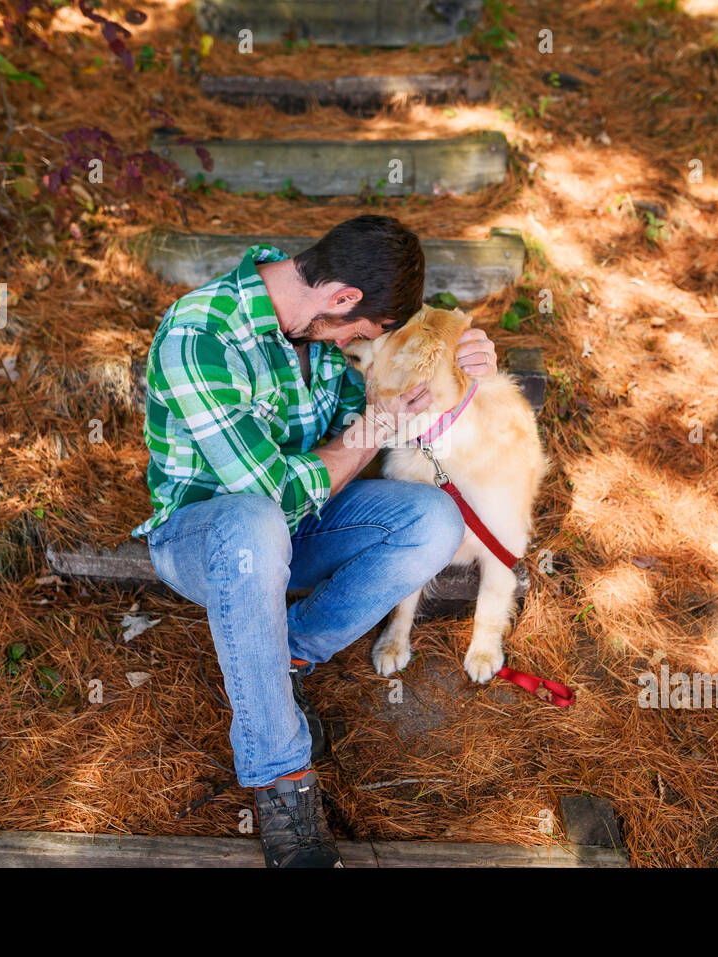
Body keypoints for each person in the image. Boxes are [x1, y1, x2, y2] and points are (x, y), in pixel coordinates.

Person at [131, 215, 497, 867]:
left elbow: (377, 422)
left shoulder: (321, 342)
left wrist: (470, 364)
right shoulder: (200, 332)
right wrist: (369, 431)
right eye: (365, 333)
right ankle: (281, 779)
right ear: (341, 298)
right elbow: (269, 492)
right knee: (253, 520)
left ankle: (283, 655)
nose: (363, 347)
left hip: (295, 525)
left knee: (433, 520)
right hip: (204, 536)